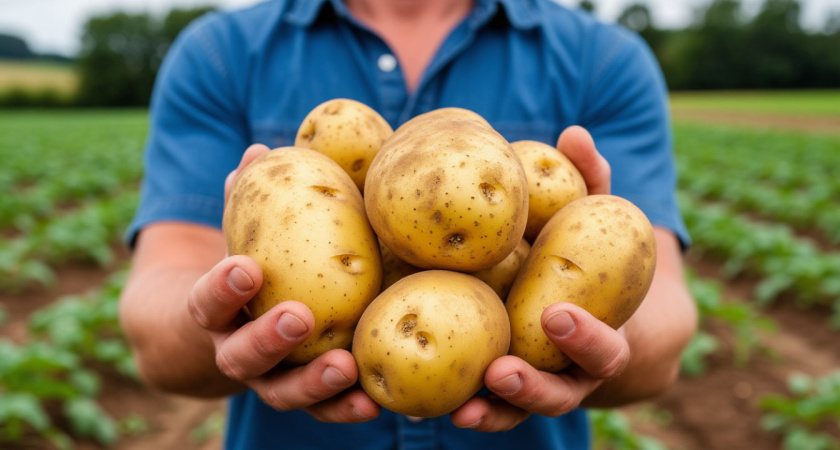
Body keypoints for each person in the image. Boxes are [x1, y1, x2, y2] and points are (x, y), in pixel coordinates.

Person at [118, 0, 698, 448]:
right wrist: (226, 323)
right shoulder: (219, 53)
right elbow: (153, 321)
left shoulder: (605, 60)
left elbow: (666, 320)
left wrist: (603, 334)